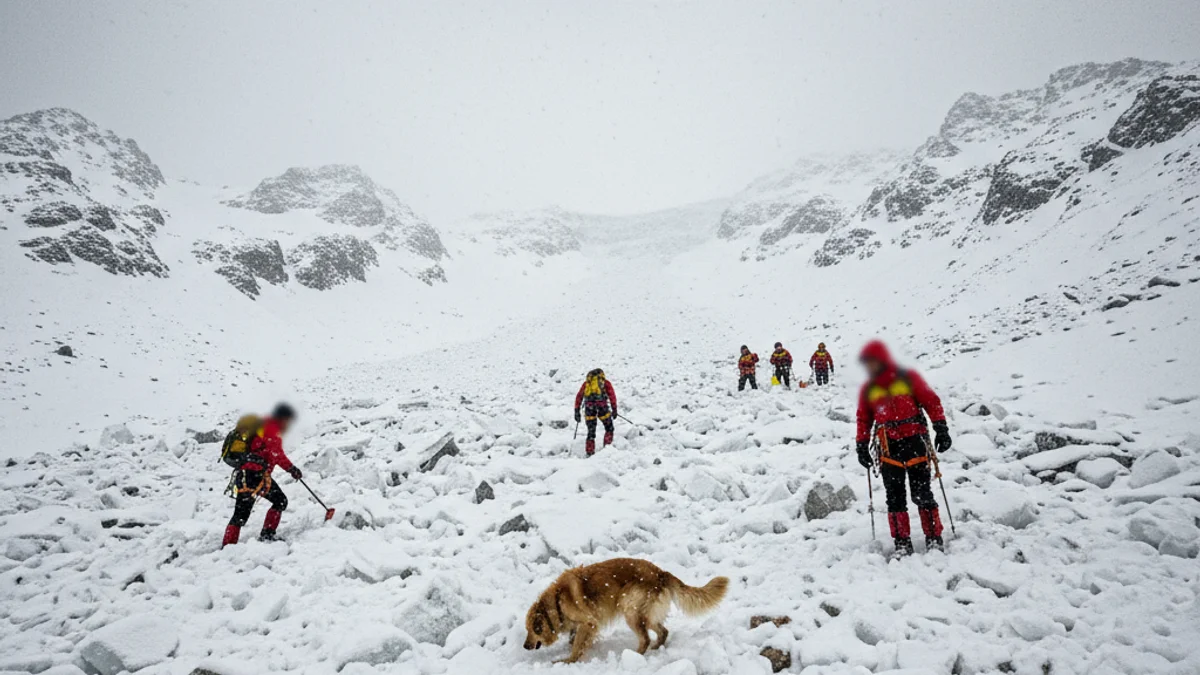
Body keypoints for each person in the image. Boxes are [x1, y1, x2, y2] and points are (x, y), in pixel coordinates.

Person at [854, 341, 952, 556]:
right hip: (888, 448)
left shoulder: (908, 378)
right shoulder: (869, 388)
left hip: (915, 442)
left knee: (922, 493)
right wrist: (861, 444)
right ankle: (902, 542)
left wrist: (941, 428)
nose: (868, 367)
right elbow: (863, 418)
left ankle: (934, 537)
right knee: (895, 496)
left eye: (871, 362)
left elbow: (931, 401)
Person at [222, 403, 303, 546]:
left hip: (247, 475)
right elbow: (277, 455)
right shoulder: (271, 430)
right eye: (288, 420)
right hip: (254, 476)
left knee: (241, 514)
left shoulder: (262, 426)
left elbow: (271, 454)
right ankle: (266, 535)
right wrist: (292, 469)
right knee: (280, 501)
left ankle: (228, 546)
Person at [574, 369, 617, 456]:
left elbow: (579, 396)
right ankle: (607, 449)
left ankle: (590, 453)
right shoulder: (605, 383)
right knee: (609, 428)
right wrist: (614, 409)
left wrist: (576, 410)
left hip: (589, 409)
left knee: (591, 432)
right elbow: (612, 396)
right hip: (602, 408)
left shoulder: (587, 384)